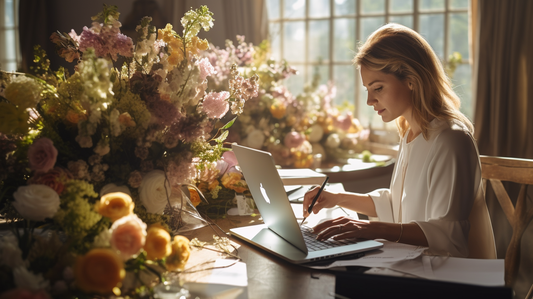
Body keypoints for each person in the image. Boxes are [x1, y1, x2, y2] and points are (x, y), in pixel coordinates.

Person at [303, 24, 496, 258]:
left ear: (411, 79)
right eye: (367, 89)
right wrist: (336, 198)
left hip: (445, 276)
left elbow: (447, 235)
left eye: (378, 88)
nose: (369, 100)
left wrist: (369, 228)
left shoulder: (451, 140)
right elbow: (396, 205)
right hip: (412, 262)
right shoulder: (410, 134)